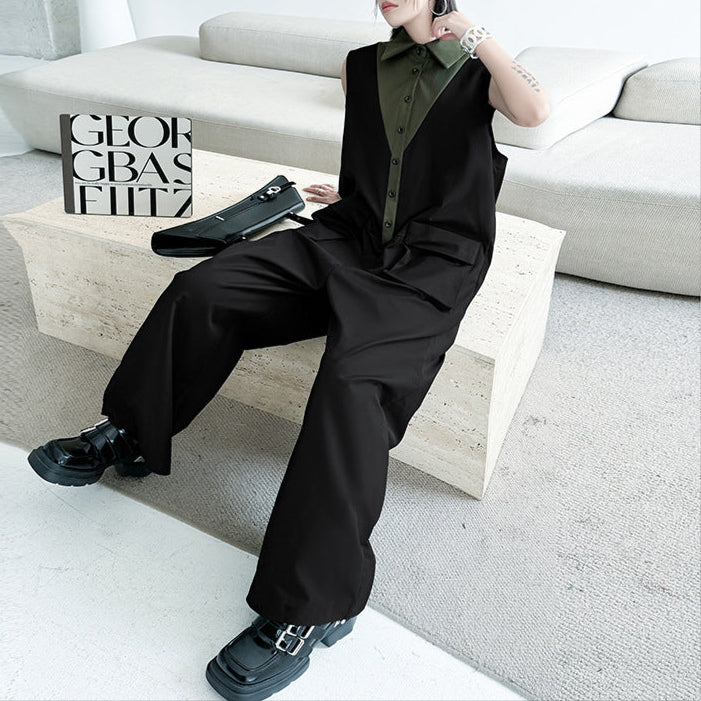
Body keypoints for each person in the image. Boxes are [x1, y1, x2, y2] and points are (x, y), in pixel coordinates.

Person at [27, 2, 549, 699]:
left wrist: (478, 39)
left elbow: (534, 112)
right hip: (346, 235)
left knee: (351, 385)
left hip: (431, 263)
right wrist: (355, 195)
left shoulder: (480, 68)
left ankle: (310, 604)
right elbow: (385, 152)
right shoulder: (360, 65)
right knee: (205, 288)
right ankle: (130, 433)